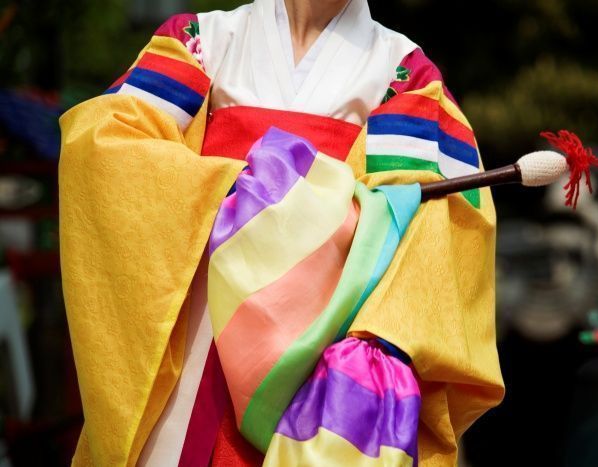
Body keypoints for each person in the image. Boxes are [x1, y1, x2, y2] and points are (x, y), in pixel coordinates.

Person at [59, 0, 504, 465]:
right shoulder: (201, 42)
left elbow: (437, 232)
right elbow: (106, 152)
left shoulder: (403, 74)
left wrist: (318, 222)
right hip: (192, 339)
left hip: (317, 359)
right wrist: (236, 191)